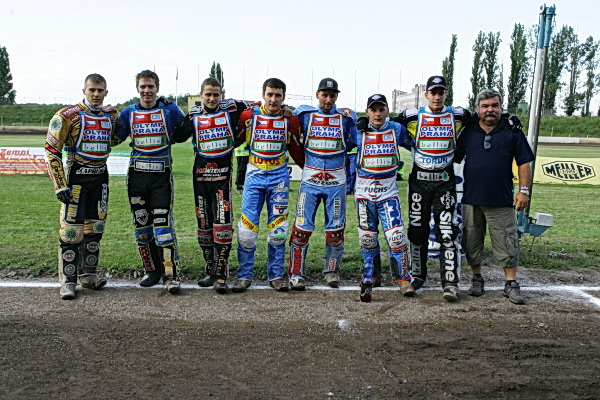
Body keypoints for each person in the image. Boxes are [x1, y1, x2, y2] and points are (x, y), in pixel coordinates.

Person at [391, 75, 472, 302]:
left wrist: (506, 119)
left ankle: (450, 282)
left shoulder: (458, 115)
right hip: (419, 181)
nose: (437, 97)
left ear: (446, 94)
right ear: (426, 94)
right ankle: (417, 276)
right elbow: (385, 122)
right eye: (433, 92)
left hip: (444, 182)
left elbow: (483, 119)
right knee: (417, 230)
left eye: (441, 92)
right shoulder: (412, 115)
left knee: (447, 230)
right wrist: (363, 123)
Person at [454, 89, 534, 305]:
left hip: (501, 199)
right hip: (471, 199)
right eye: (485, 106)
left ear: (501, 107)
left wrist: (524, 191)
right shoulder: (468, 131)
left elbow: (524, 162)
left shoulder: (512, 130)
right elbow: (454, 157)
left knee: (507, 242)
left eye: (494, 105)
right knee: (472, 242)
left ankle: (511, 283)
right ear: (477, 109)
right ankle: (476, 278)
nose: (490, 110)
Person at [172, 78, 251, 294]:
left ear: (221, 95)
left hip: (222, 179)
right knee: (204, 227)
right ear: (201, 95)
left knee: (223, 227)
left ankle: (221, 273)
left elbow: (255, 109)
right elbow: (178, 136)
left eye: (216, 94)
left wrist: (285, 111)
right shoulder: (194, 115)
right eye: (208, 94)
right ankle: (210, 270)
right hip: (200, 178)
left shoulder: (233, 108)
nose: (212, 98)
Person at [44, 73, 118, 300]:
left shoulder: (112, 116)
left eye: (100, 90)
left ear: (106, 92)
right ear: (84, 91)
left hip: (100, 179)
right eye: (92, 90)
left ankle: (88, 275)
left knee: (95, 229)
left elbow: (117, 138)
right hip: (75, 180)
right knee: (71, 232)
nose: (96, 94)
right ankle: (68, 282)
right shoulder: (67, 115)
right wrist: (60, 185)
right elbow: (51, 149)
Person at [113, 70, 186, 294]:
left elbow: (184, 131)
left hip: (161, 177)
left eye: (151, 86)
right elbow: (115, 139)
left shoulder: (170, 110)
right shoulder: (128, 113)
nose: (147, 91)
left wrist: (178, 111)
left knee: (163, 227)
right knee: (142, 228)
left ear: (157, 88)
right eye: (143, 86)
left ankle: (171, 274)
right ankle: (152, 271)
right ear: (137, 88)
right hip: (137, 177)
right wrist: (107, 117)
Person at [234, 78, 304, 293]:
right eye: (270, 94)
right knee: (246, 231)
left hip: (279, 179)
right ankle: (244, 275)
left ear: (284, 97)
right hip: (254, 177)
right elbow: (233, 140)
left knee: (278, 231)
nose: (273, 99)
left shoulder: (290, 120)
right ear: (263, 95)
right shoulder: (248, 116)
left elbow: (296, 150)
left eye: (278, 95)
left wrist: (311, 171)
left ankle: (276, 275)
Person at [287, 78, 358, 290]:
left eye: (332, 95)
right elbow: (289, 123)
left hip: (336, 183)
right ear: (317, 94)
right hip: (310, 182)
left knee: (335, 231)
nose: (328, 99)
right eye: (324, 95)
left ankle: (332, 271)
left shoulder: (346, 118)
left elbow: (356, 142)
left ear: (337, 96)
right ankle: (296, 273)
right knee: (301, 229)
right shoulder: (304, 114)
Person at [353, 94, 412, 302]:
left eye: (381, 109)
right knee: (367, 239)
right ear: (367, 111)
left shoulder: (396, 129)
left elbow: (415, 141)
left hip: (388, 193)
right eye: (373, 109)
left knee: (396, 236)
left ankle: (403, 279)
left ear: (387, 110)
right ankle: (371, 276)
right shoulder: (357, 130)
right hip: (363, 194)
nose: (377, 114)